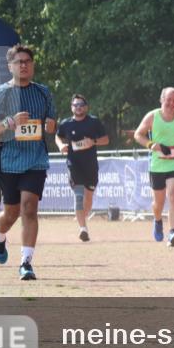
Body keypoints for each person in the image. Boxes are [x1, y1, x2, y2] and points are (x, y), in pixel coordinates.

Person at [0, 45, 57, 280]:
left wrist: (50, 126)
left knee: (29, 208)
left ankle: (26, 262)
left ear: (32, 65)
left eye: (27, 61)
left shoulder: (43, 92)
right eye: (19, 62)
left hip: (35, 157)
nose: (23, 65)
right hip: (7, 159)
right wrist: (8, 123)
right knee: (11, 213)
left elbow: (52, 122)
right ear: (10, 66)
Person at [133, 87, 174, 247]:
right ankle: (158, 220)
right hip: (157, 165)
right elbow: (138, 134)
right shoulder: (152, 116)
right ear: (162, 100)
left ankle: (173, 232)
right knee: (158, 203)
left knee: (173, 195)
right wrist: (150, 144)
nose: (171, 103)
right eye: (168, 100)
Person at [56, 94, 109, 242]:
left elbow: (106, 139)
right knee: (79, 196)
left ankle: (82, 219)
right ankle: (83, 229)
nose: (78, 107)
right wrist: (61, 146)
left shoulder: (94, 122)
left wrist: (93, 141)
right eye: (75, 105)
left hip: (91, 165)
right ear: (71, 107)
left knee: (88, 199)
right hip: (74, 164)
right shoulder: (66, 123)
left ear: (86, 107)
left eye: (81, 104)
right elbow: (58, 136)